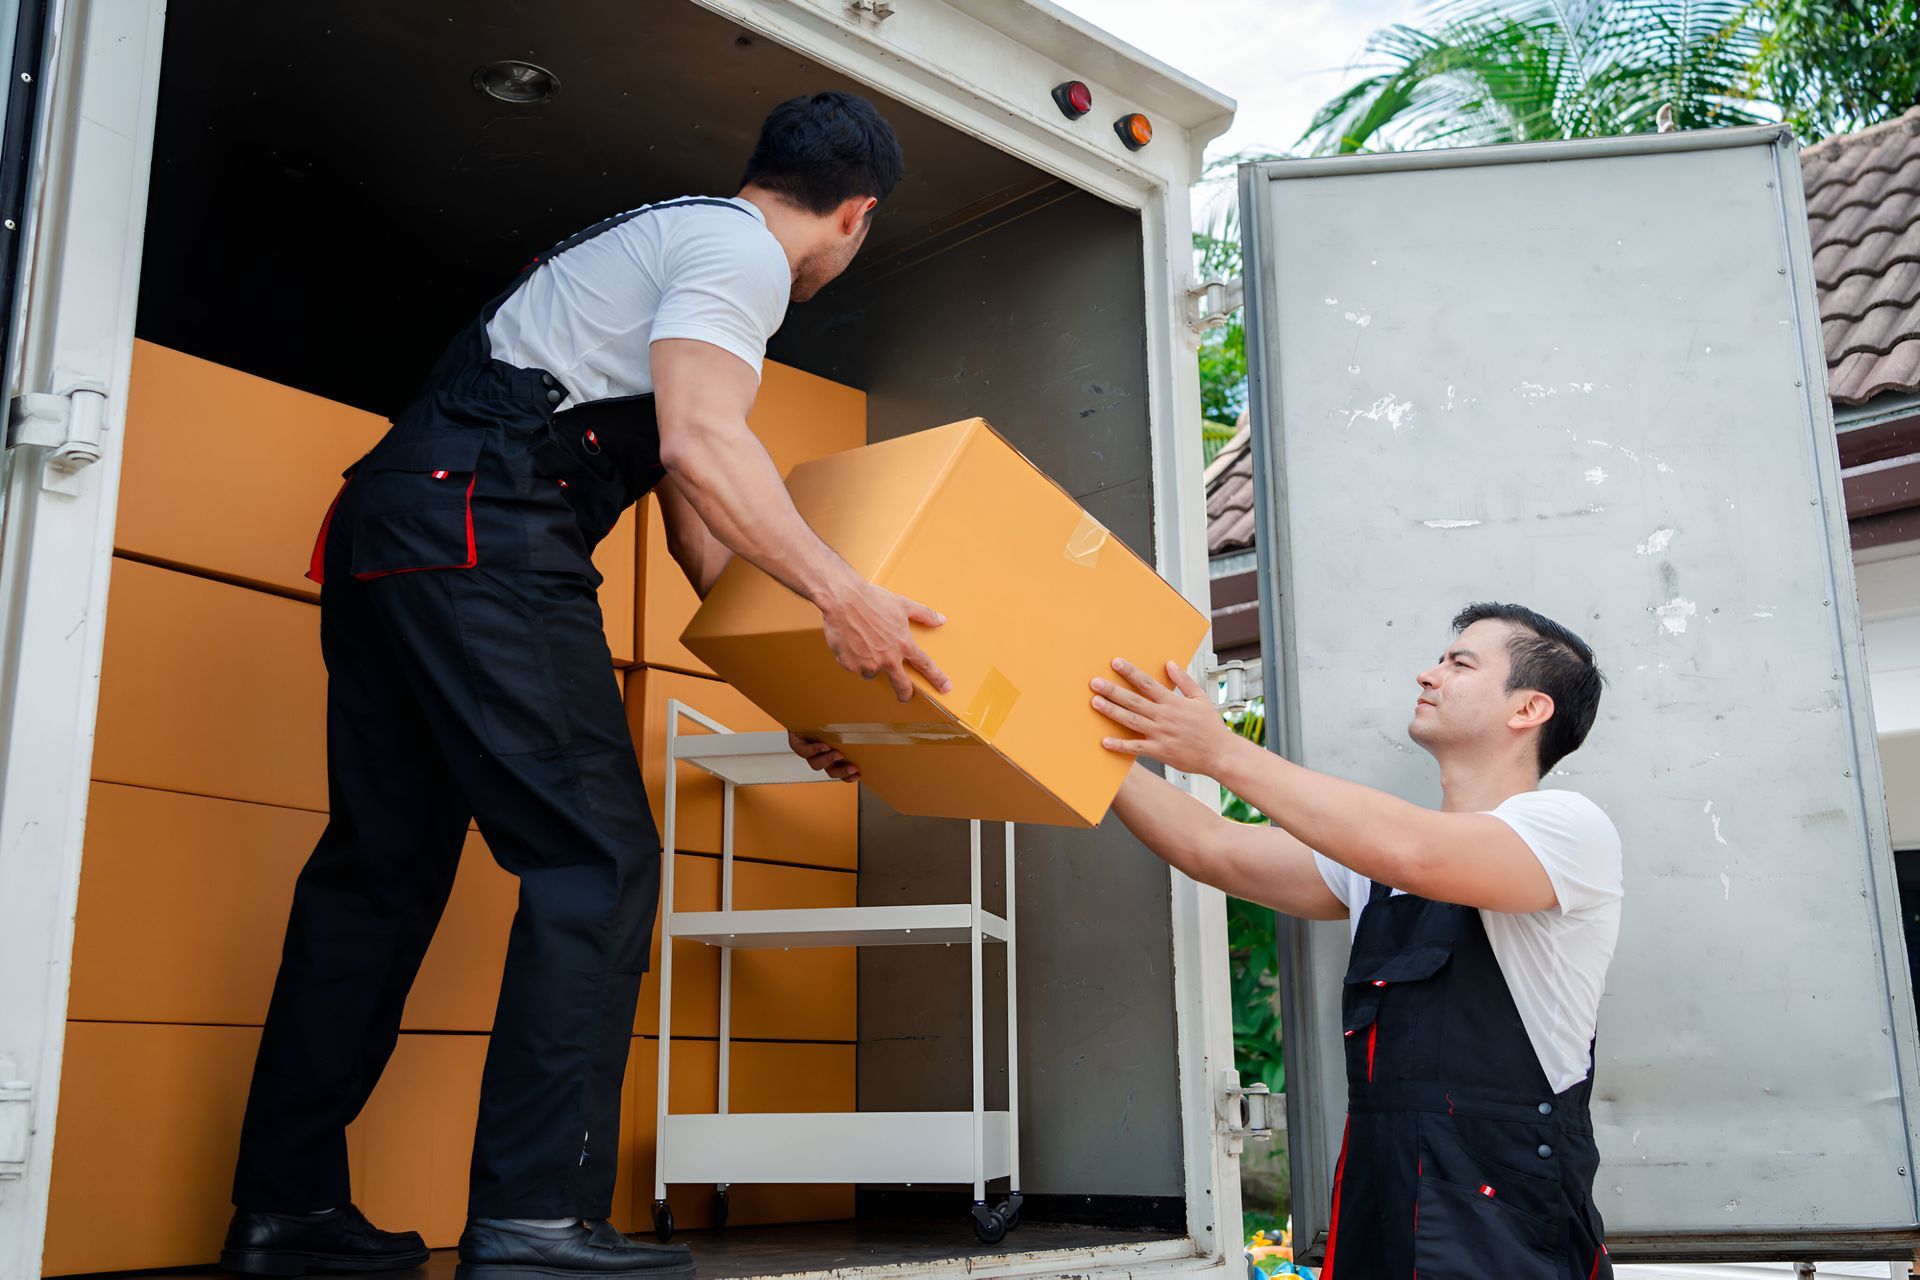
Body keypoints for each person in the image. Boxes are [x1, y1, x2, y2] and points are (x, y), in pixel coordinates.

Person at [223, 92, 947, 1280]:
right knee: (595, 861)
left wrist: (798, 701)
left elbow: (698, 531)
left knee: (378, 877)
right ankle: (534, 1219)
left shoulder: (661, 244)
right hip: (482, 532)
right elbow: (705, 446)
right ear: (855, 215)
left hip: (397, 530)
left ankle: (285, 1208)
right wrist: (844, 591)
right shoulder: (737, 254)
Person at [1091, 603, 1621, 1280]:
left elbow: (1415, 852)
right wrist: (1076, 745)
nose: (1428, 674)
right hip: (1381, 1205)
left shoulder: (1568, 830)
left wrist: (1220, 750)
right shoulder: (1377, 864)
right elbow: (1211, 847)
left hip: (1502, 1231)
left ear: (1529, 709)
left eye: (1460, 663)